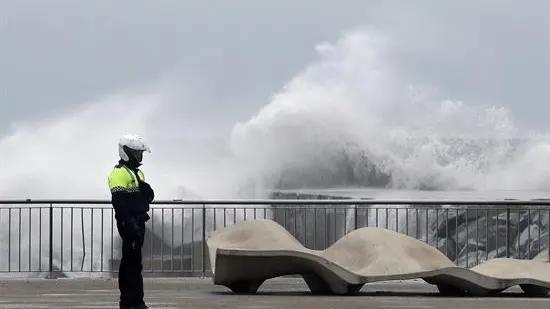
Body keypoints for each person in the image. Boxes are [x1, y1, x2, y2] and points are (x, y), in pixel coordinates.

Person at [107, 134, 155, 309]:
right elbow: (119, 202)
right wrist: (129, 222)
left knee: (135, 263)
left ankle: (136, 301)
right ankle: (129, 302)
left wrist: (148, 192)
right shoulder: (118, 174)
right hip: (128, 223)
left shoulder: (137, 173)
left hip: (139, 221)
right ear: (126, 152)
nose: (139, 156)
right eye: (136, 153)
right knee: (130, 264)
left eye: (140, 153)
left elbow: (147, 196)